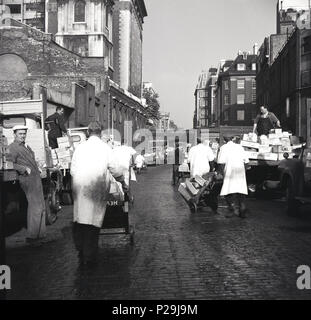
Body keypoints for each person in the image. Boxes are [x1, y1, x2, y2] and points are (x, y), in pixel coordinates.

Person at [71, 121, 124, 267]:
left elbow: (72, 170)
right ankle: (89, 256)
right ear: (100, 133)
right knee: (92, 221)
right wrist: (122, 181)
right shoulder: (105, 148)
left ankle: (80, 249)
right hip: (95, 186)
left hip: (79, 185)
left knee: (80, 218)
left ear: (88, 132)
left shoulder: (80, 148)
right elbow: (115, 169)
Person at [8, 125, 46, 243]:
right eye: (20, 133)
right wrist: (23, 168)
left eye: (24, 133)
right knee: (35, 207)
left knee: (41, 207)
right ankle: (32, 237)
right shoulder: (13, 147)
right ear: (14, 134)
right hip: (27, 179)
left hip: (35, 177)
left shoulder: (26, 146)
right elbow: (9, 164)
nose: (23, 136)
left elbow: (31, 160)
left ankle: (40, 235)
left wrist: (37, 167)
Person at [217, 136, 249, 218]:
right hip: (240, 172)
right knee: (241, 191)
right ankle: (242, 211)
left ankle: (232, 210)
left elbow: (220, 162)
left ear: (225, 141)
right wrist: (243, 171)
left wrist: (221, 173)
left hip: (229, 172)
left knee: (228, 191)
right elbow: (246, 161)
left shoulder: (223, 148)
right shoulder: (240, 147)